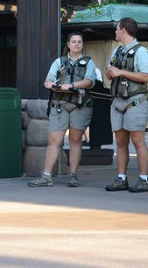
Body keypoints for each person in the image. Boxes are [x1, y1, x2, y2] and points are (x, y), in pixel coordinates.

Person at [28, 31, 96, 188]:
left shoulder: (88, 62)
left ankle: (73, 175)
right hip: (59, 104)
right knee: (54, 141)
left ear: (82, 44)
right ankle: (46, 176)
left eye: (79, 42)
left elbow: (89, 81)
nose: (77, 44)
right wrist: (52, 85)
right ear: (68, 44)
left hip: (80, 104)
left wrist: (72, 86)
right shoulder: (59, 62)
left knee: (75, 140)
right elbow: (48, 80)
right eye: (74, 41)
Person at [105, 17, 148, 193]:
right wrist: (110, 74)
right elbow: (110, 72)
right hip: (117, 101)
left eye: (117, 29)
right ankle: (121, 178)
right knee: (120, 142)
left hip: (135, 102)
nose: (115, 32)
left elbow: (145, 76)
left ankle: (143, 179)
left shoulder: (142, 52)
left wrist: (120, 72)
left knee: (137, 140)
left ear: (124, 30)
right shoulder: (117, 51)